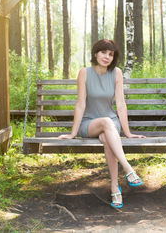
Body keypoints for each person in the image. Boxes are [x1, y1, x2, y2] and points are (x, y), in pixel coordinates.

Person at [58, 39, 145, 209]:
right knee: (105, 123)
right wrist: (72, 133)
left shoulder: (117, 73)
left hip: (111, 124)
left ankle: (114, 187)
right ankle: (128, 168)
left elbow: (120, 104)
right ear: (95, 53)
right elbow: (80, 104)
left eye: (110, 54)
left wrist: (127, 132)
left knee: (107, 136)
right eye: (103, 52)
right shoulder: (84, 73)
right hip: (89, 123)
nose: (107, 57)